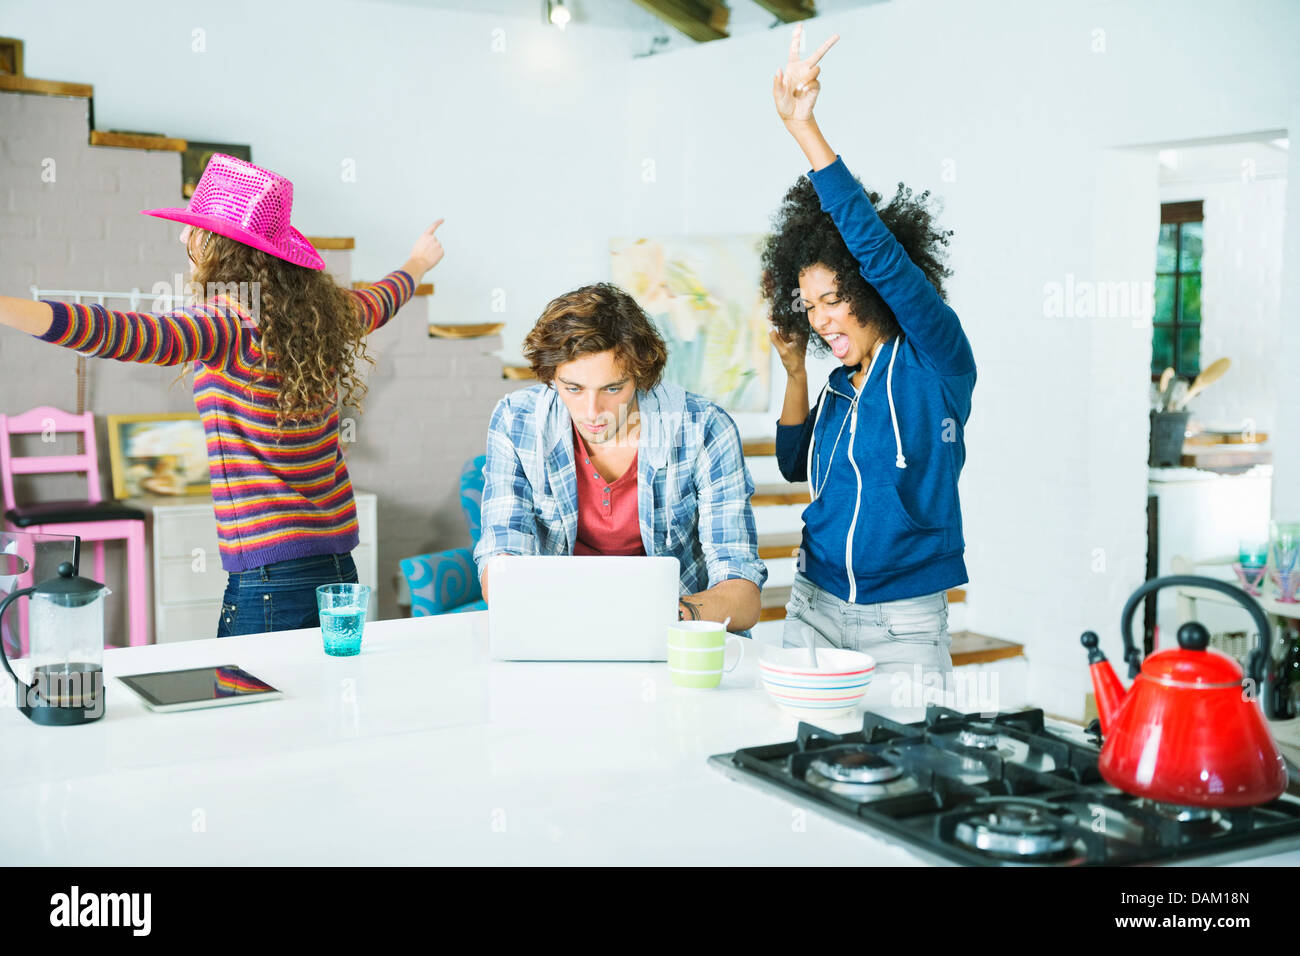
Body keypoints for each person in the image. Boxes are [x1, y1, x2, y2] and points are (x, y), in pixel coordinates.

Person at [0, 153, 446, 637]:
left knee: (246, 708)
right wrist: (418, 261)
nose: (180, 236)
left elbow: (119, 332)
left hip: (268, 577)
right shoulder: (325, 314)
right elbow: (382, 299)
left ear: (217, 243)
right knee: (320, 705)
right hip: (336, 567)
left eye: (191, 226)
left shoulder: (227, 322)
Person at [764, 27, 976, 684]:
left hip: (904, 622)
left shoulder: (934, 358)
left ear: (866, 288)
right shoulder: (837, 386)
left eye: (833, 298)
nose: (821, 317)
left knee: (906, 777)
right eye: (810, 305)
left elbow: (879, 253)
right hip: (813, 604)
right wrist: (797, 374)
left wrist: (805, 130)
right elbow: (794, 464)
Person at [474, 283, 767, 632]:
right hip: (558, 627)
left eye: (613, 389)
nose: (592, 412)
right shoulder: (516, 421)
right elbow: (502, 561)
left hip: (673, 632)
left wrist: (660, 616)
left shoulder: (704, 428)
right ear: (550, 376)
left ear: (641, 376)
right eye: (573, 389)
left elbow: (743, 596)